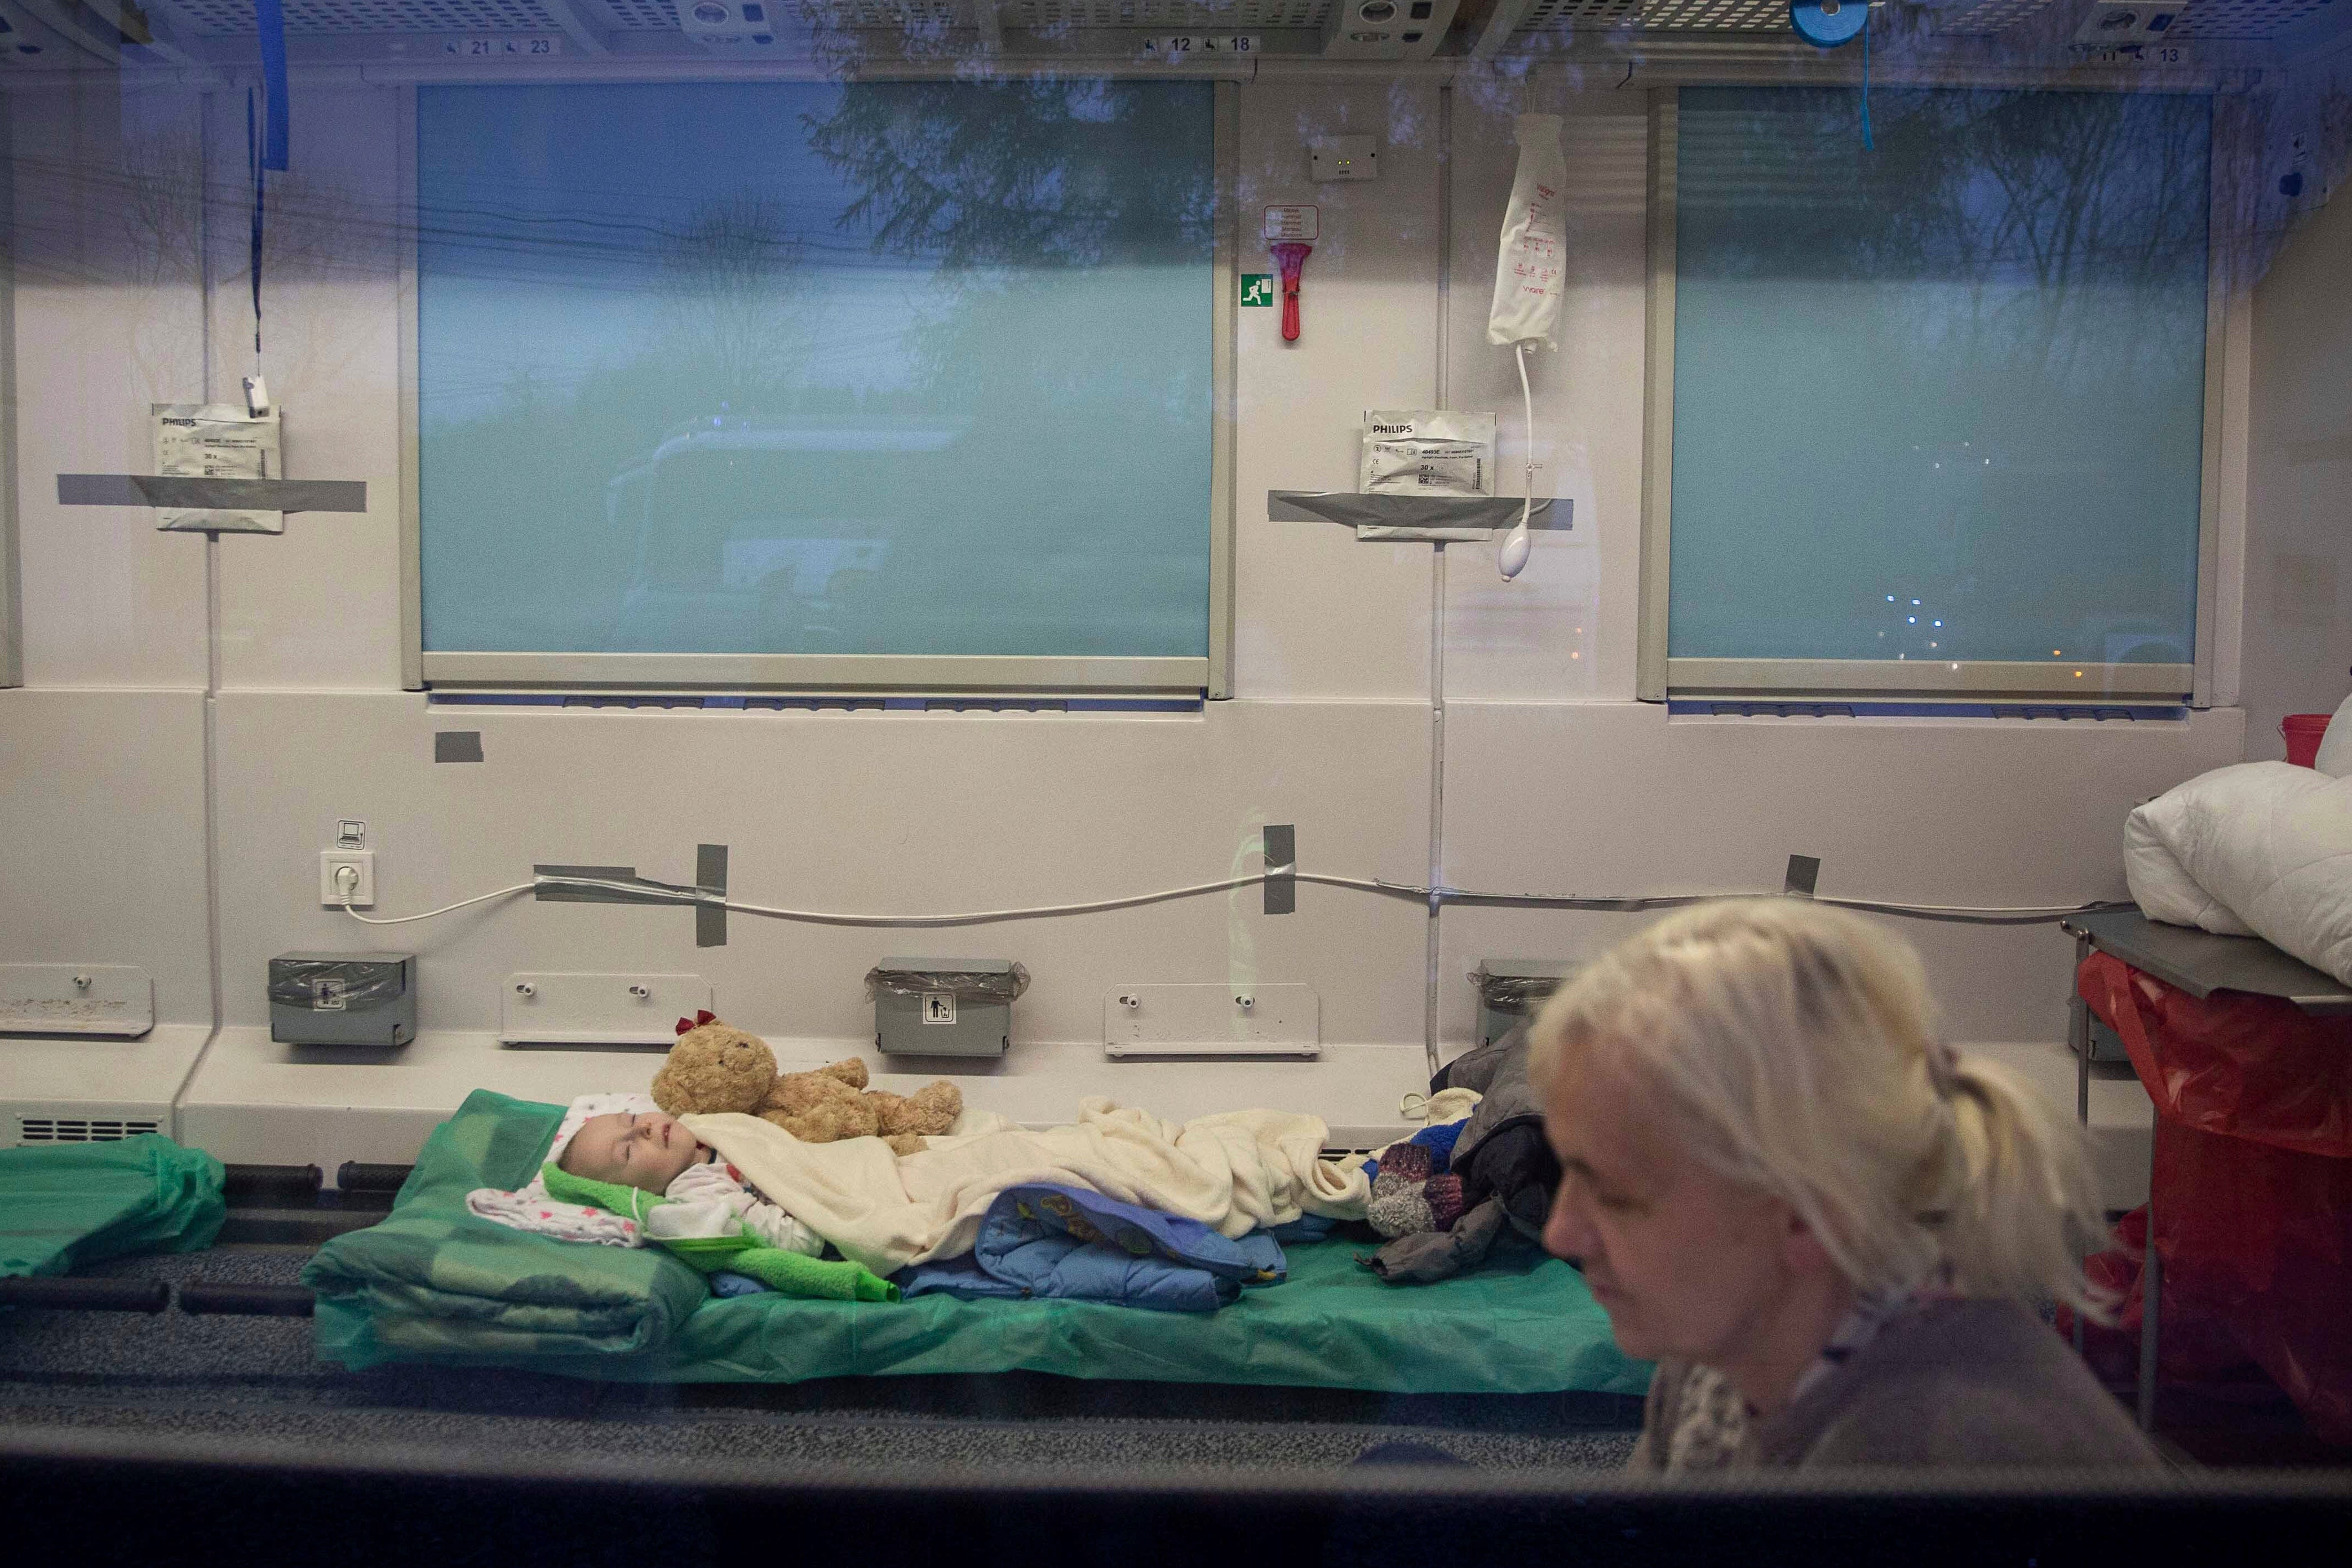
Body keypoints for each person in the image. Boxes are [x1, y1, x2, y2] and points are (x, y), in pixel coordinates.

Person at [1529, 898, 2162, 1471]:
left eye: (1613, 1192)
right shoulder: (1720, 1352)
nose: (1561, 1232)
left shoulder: (1941, 1463)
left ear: (1807, 1211)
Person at [556, 1108, 824, 1256]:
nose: (642, 1128)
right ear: (636, 1191)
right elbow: (795, 1239)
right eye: (628, 1152)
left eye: (632, 1118)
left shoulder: (697, 1128)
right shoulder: (699, 1190)